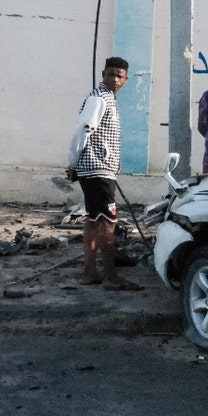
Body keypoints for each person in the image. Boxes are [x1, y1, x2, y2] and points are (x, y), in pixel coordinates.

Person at [65, 57, 143, 291]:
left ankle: (89, 273)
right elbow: (83, 129)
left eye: (120, 76)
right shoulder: (99, 98)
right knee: (108, 224)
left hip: (97, 170)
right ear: (103, 74)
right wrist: (73, 163)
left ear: (126, 79)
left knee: (92, 220)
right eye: (111, 74)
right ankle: (111, 277)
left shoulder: (107, 98)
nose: (115, 79)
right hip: (97, 170)